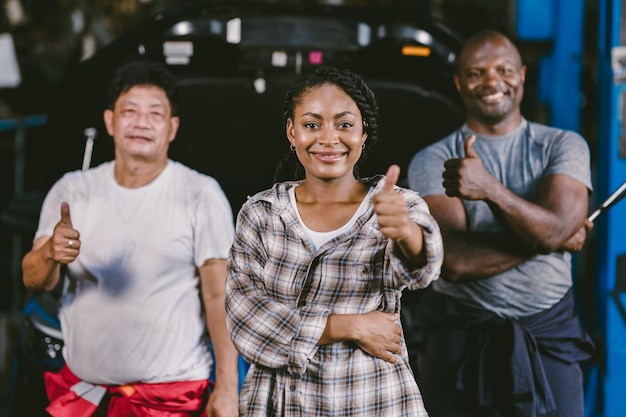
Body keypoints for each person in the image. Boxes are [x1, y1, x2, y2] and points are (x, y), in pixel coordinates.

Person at [21, 60, 239, 417]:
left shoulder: (200, 193)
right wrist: (49, 254)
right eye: (130, 111)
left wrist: (229, 389)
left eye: (155, 113)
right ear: (110, 121)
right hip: (85, 396)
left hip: (170, 400)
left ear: (172, 128)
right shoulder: (73, 190)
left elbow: (219, 296)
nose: (141, 122)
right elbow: (33, 278)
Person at [224, 65, 444, 416]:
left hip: (372, 400)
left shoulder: (393, 205)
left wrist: (404, 231)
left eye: (344, 125)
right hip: (279, 402)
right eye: (312, 125)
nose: (328, 138)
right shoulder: (260, 213)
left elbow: (423, 267)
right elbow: (245, 318)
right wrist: (351, 326)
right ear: (291, 132)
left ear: (363, 133)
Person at [407, 29, 595, 417]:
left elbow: (557, 227)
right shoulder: (433, 159)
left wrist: (490, 189)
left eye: (504, 69)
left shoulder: (563, 145)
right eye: (476, 73)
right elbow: (453, 262)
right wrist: (551, 238)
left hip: (548, 337)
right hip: (460, 336)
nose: (492, 81)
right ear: (459, 83)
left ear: (522, 75)